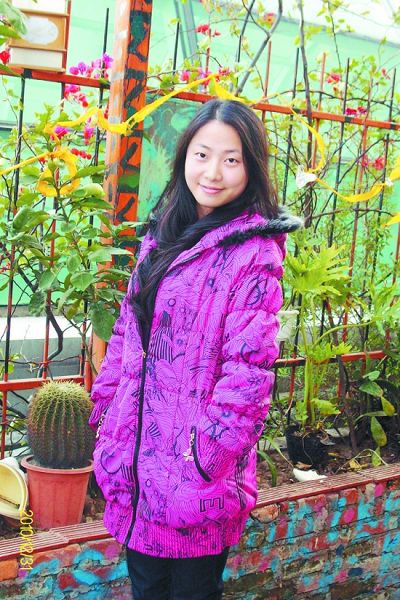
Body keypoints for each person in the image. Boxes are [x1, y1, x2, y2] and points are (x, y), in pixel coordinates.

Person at [89, 99, 301, 600]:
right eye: (202, 155)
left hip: (194, 484)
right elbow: (126, 334)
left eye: (231, 159)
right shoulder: (163, 233)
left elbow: (248, 376)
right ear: (185, 155)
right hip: (136, 469)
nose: (212, 172)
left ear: (251, 168)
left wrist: (203, 460)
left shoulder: (253, 253)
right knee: (146, 589)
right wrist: (106, 414)